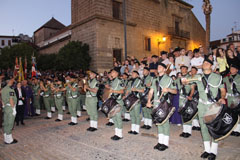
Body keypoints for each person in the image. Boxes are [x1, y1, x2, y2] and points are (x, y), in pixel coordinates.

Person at [183, 58, 226, 160]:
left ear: (211, 66)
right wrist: (185, 80)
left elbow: (223, 90)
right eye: (204, 63)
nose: (205, 64)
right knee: (203, 127)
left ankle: (213, 151)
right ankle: (207, 150)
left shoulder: (217, 77)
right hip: (201, 105)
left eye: (207, 63)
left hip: (213, 105)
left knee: (213, 127)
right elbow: (185, 81)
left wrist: (222, 97)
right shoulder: (198, 77)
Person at [147, 63, 177, 151]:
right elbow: (151, 91)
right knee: (158, 122)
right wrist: (149, 101)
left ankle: (165, 143)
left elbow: (175, 91)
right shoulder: (155, 79)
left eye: (160, 67)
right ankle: (160, 142)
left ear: (164, 69)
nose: (158, 68)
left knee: (165, 123)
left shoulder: (169, 79)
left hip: (164, 103)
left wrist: (168, 89)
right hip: (156, 103)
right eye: (158, 67)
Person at [176, 66, 196, 138]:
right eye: (181, 69)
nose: (182, 70)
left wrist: (190, 96)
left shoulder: (190, 78)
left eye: (184, 69)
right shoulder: (179, 78)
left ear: (187, 70)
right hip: (181, 98)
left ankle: (188, 131)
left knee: (188, 113)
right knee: (182, 114)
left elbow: (192, 88)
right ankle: (184, 131)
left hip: (187, 97)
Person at [223, 64, 240, 136]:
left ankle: (237, 130)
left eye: (234, 68)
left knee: (238, 114)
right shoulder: (226, 78)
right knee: (230, 113)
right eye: (231, 68)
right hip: (229, 98)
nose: (232, 69)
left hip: (238, 97)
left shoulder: (239, 78)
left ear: (237, 70)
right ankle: (231, 129)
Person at [109, 68, 125, 140]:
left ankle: (120, 134)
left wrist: (113, 91)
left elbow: (122, 91)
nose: (111, 73)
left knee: (118, 118)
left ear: (116, 73)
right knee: (114, 117)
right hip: (113, 101)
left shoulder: (120, 80)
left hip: (118, 101)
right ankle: (116, 133)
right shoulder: (113, 81)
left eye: (112, 72)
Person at [1, 78, 18, 144]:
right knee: (10, 124)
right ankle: (9, 140)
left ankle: (6, 138)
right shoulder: (10, 90)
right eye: (12, 80)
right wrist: (13, 109)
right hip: (10, 108)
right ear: (9, 82)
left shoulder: (3, 90)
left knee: (5, 123)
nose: (13, 81)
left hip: (5, 108)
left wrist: (3, 106)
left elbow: (1, 99)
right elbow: (11, 99)